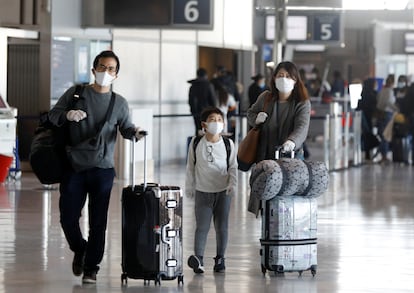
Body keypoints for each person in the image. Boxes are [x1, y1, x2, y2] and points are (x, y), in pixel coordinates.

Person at [48, 50, 146, 284]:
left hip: (102, 169)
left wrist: (135, 133)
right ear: (93, 70)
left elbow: (125, 127)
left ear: (117, 74)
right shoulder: (76, 93)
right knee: (68, 218)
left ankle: (91, 267)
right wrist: (67, 115)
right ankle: (80, 249)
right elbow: (53, 115)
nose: (106, 72)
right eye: (102, 67)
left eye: (111, 69)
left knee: (98, 221)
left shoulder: (119, 103)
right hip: (74, 166)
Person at [185, 107, 237, 274]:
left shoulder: (228, 144)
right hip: (202, 191)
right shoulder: (195, 143)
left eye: (220, 120)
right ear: (204, 124)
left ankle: (220, 258)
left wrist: (232, 184)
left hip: (223, 191)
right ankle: (198, 259)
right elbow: (190, 168)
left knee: (222, 226)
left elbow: (233, 167)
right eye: (213, 119)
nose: (217, 123)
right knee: (202, 226)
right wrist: (190, 187)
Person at [246, 61, 311, 161]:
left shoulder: (301, 102)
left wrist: (292, 141)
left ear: (295, 80)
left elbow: (302, 126)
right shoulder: (266, 98)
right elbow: (250, 113)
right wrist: (256, 119)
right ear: (274, 78)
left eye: (288, 76)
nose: (284, 79)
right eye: (280, 75)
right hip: (264, 155)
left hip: (291, 157)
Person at [376, 74, 399, 163]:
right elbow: (389, 102)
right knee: (386, 135)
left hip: (380, 113)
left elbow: (379, 101)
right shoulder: (390, 91)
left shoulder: (382, 90)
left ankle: (383, 155)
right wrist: (396, 109)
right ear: (392, 82)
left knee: (382, 135)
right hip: (387, 114)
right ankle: (384, 156)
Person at [188, 68, 217, 135]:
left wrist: (193, 111)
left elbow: (190, 101)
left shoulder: (193, 86)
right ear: (206, 75)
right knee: (208, 130)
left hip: (196, 113)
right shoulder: (209, 85)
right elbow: (213, 101)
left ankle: (197, 144)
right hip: (207, 112)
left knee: (198, 130)